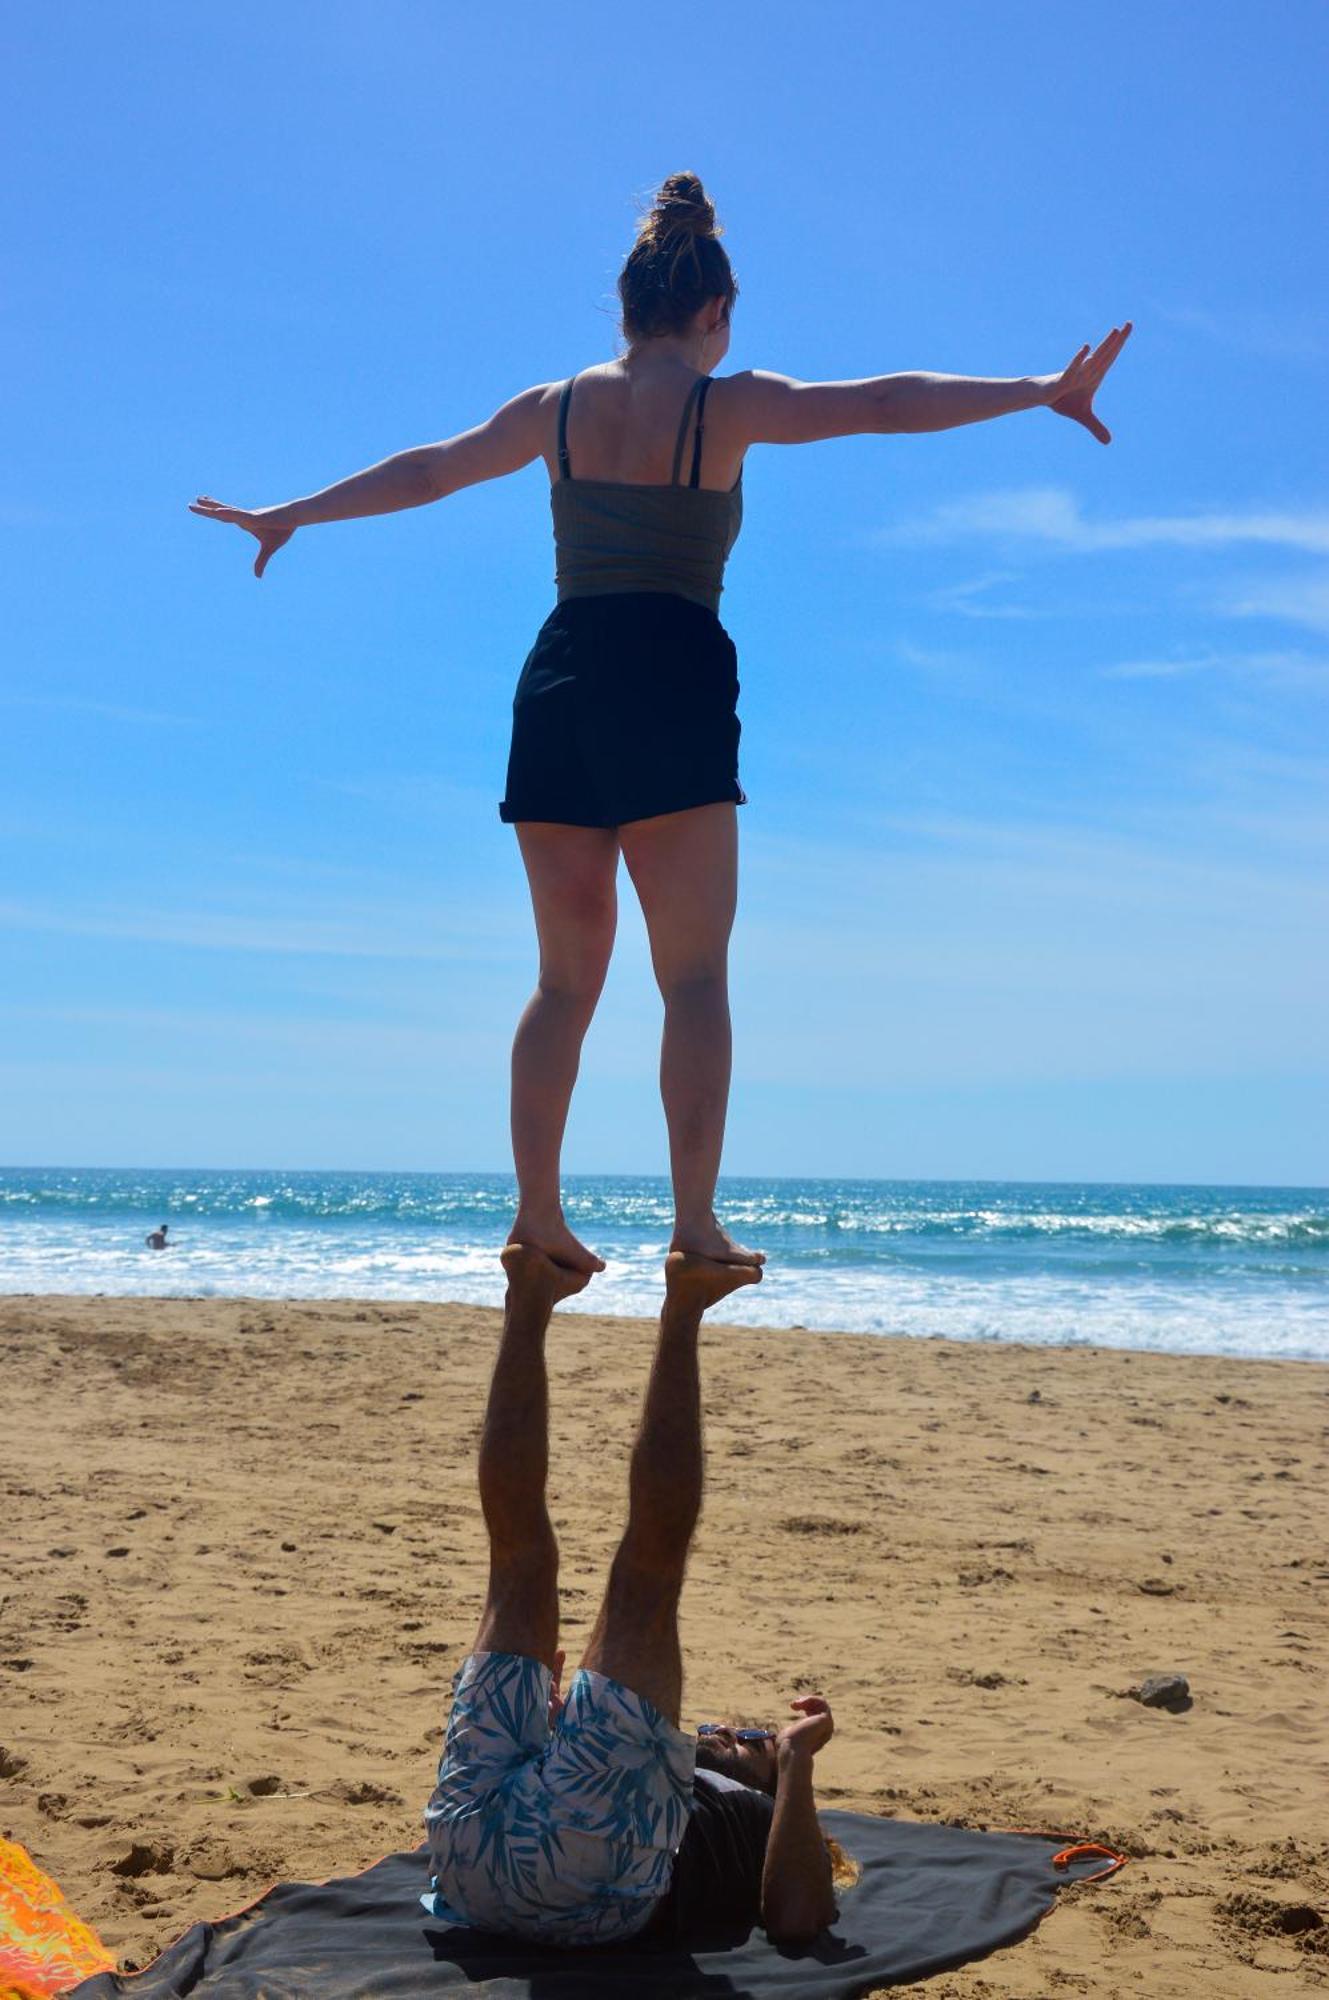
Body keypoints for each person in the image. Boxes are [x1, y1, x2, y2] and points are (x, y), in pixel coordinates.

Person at [191, 172, 1131, 1278]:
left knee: (560, 983)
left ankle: (536, 1217)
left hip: (562, 678)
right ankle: (692, 1227)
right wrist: (1038, 389)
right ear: (715, 314)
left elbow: (431, 471)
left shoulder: (555, 408)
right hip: (672, 672)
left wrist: (292, 511)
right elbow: (884, 403)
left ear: (626, 308)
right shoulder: (726, 404)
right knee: (691, 979)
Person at [421, 1242, 840, 1948]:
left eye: (752, 1743)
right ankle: (538, 1298)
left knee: (630, 1567)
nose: (731, 1733)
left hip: (555, 1882)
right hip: (466, 1865)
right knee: (526, 1560)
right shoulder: (668, 1779)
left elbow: (798, 1918)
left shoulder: (760, 1819)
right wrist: (549, 1726)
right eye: (744, 1732)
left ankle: (656, 1306)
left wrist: (795, 1762)